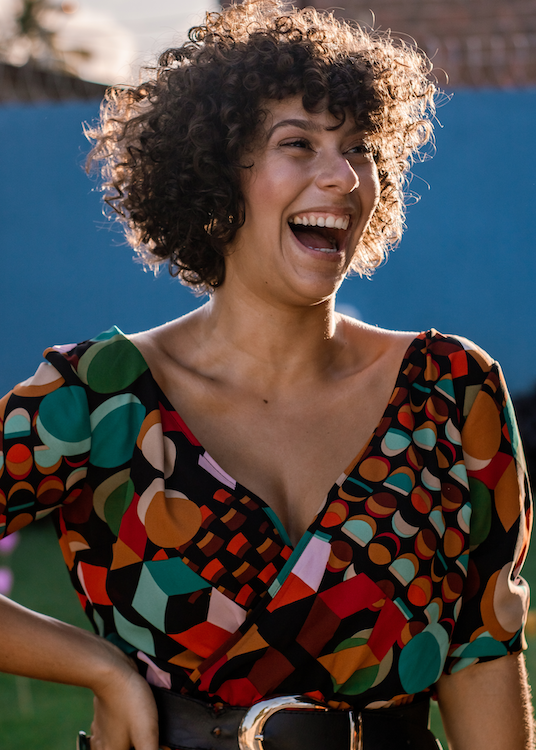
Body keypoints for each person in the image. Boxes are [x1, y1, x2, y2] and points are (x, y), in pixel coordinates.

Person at [0, 1, 533, 748]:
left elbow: (482, 655)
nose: (343, 176)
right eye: (299, 143)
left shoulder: (450, 391)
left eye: (360, 148)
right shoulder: (98, 399)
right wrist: (98, 668)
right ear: (215, 177)